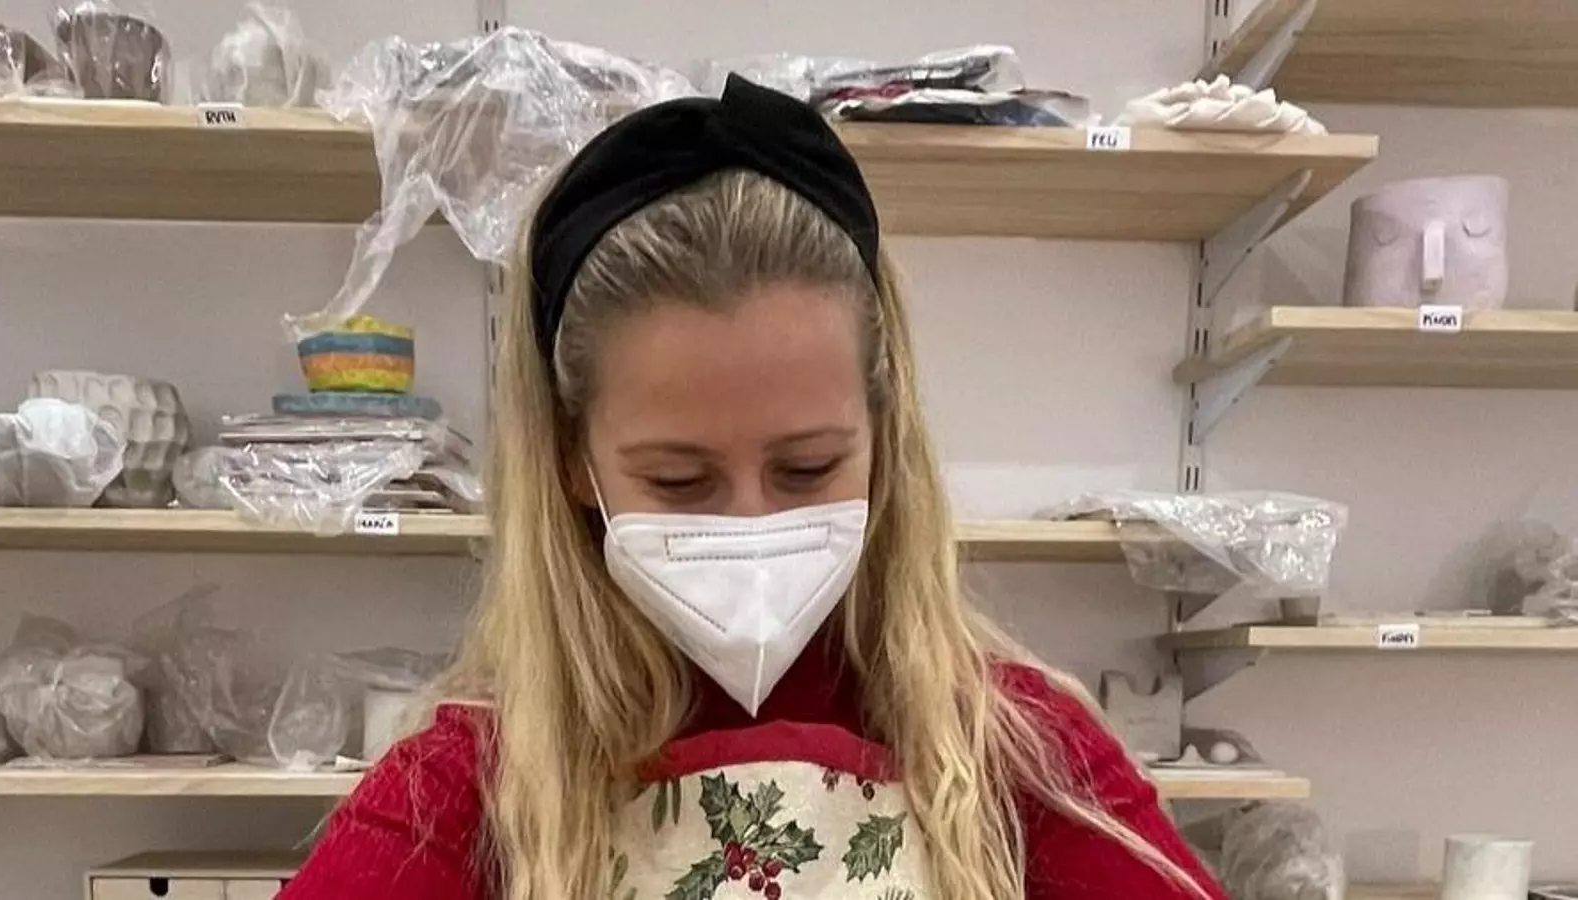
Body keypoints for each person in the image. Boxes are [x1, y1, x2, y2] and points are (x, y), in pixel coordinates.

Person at [281, 75, 1226, 900]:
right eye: (679, 480)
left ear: (884, 439)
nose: (751, 524)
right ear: (574, 463)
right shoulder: (468, 785)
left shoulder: (1019, 752)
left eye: (806, 469)